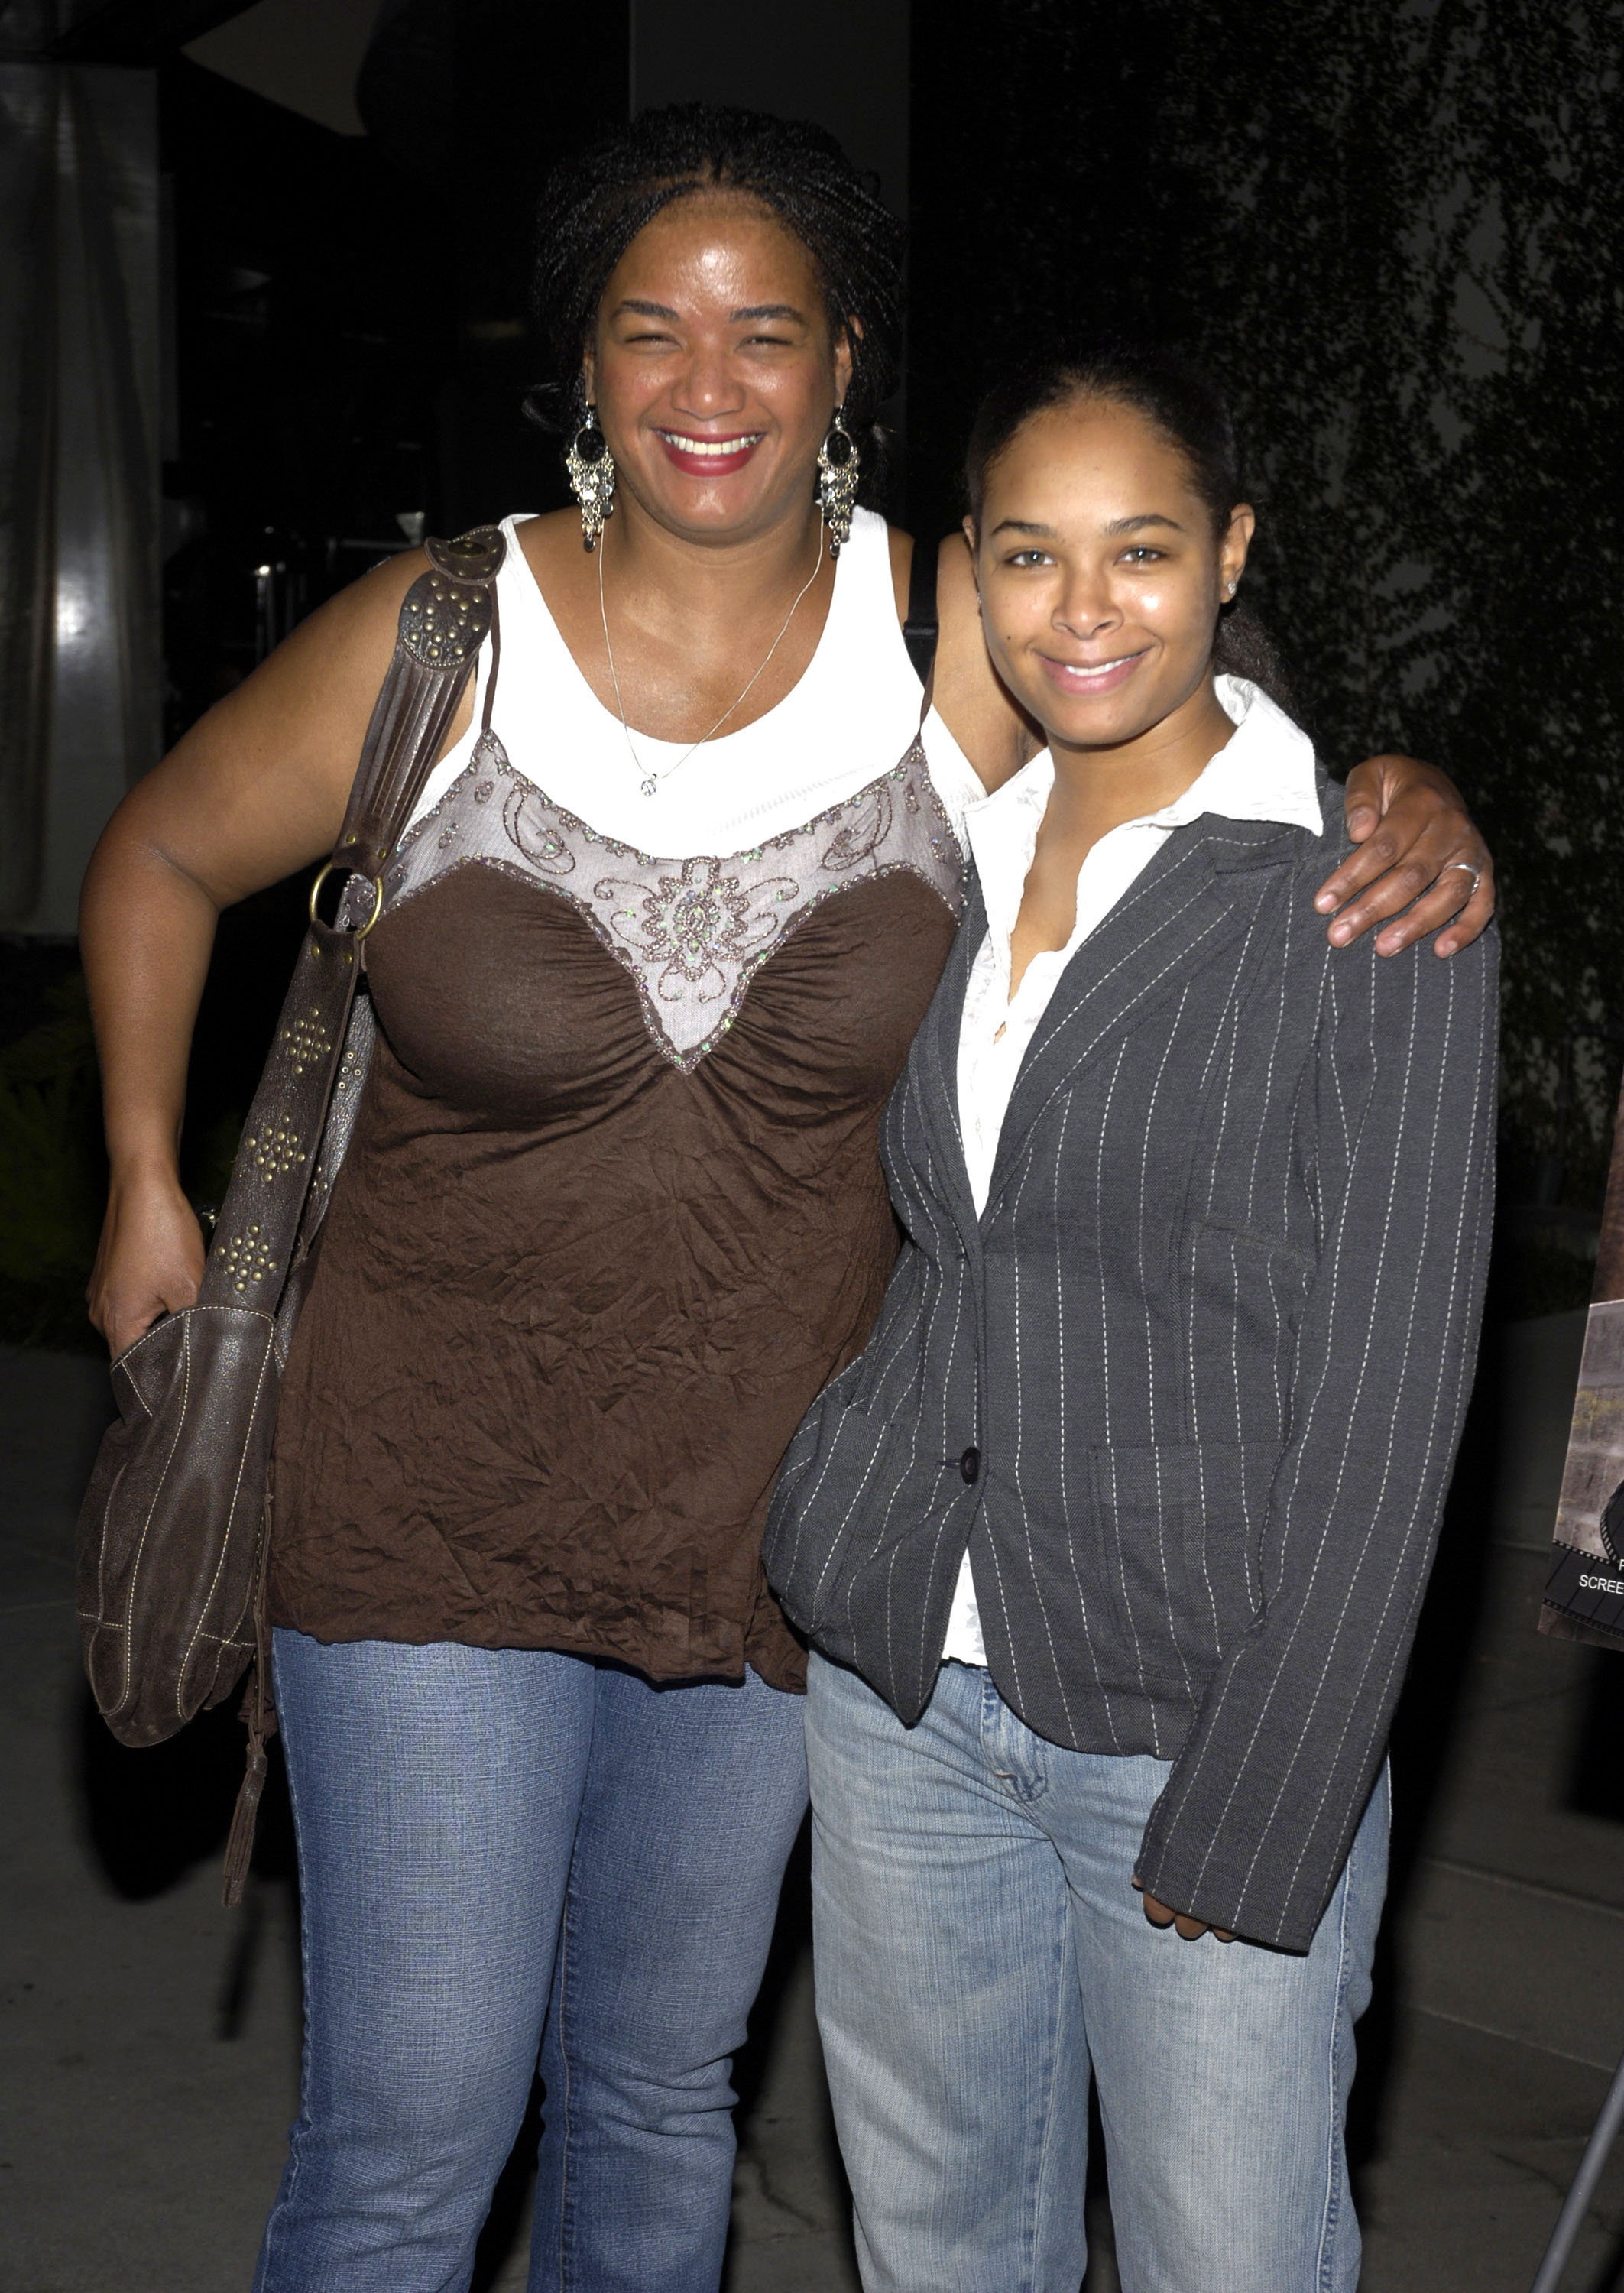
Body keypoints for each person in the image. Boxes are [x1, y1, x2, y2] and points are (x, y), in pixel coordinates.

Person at [79, 107, 1491, 2293]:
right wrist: (146, 1187)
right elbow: (159, 851)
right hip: (420, 1482)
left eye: (764, 330)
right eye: (650, 329)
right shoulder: (437, 630)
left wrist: (1402, 795)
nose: (705, 379)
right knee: (415, 2130)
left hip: (768, 1537)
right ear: (582, 370)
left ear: (846, 370)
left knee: (656, 2104)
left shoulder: (939, 615)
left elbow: (1168, 701)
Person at [763, 344, 1499, 2293]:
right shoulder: (948, 849)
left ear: (1231, 549)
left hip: (1196, 1725)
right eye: (1028, 556)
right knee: (931, 2252)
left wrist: (1269, 1798)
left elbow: (1394, 1396)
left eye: (1143, 549)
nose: (1081, 609)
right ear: (969, 581)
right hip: (905, 1693)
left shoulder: (1368, 891)